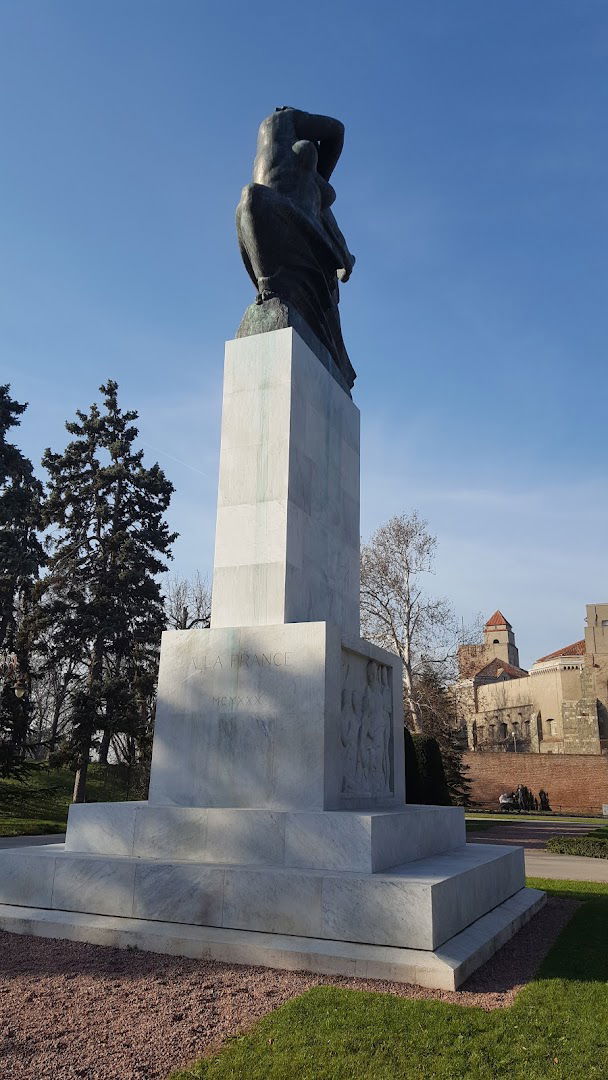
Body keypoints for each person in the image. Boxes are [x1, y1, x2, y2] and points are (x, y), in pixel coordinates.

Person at [236, 107, 356, 389]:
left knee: (329, 332)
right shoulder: (279, 125)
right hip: (272, 216)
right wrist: (322, 176)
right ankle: (272, 287)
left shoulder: (316, 199)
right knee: (251, 197)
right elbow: (336, 131)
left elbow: (332, 232)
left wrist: (345, 259)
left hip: (308, 243)